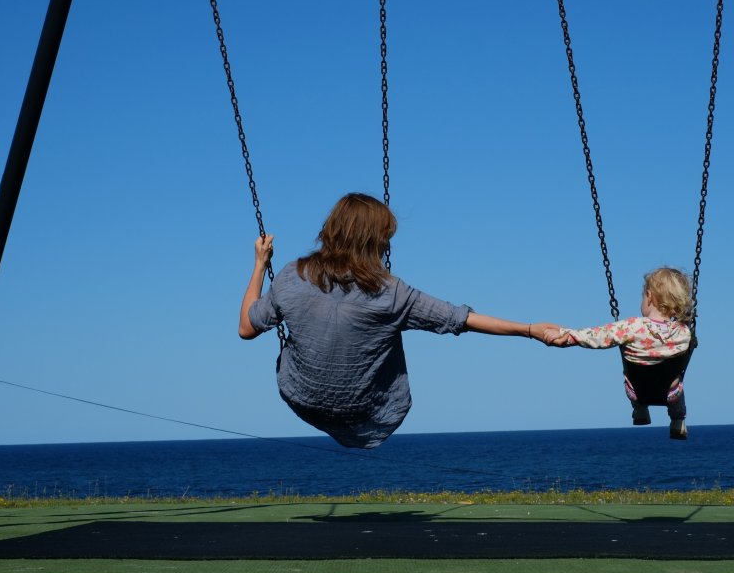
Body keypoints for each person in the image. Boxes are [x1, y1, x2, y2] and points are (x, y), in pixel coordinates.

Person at [239, 192, 562, 449]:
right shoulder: (391, 293)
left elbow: (247, 328)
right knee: (389, 330)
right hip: (366, 408)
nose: (388, 243)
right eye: (385, 237)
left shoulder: (292, 276)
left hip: (302, 396)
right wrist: (530, 330)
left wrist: (259, 264)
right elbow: (459, 319)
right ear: (373, 241)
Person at [548, 267, 694, 439]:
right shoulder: (683, 332)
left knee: (635, 378)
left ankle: (640, 411)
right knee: (677, 388)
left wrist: (567, 335)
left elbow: (596, 336)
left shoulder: (630, 327)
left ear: (649, 296)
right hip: (671, 393)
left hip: (636, 392)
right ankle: (677, 421)